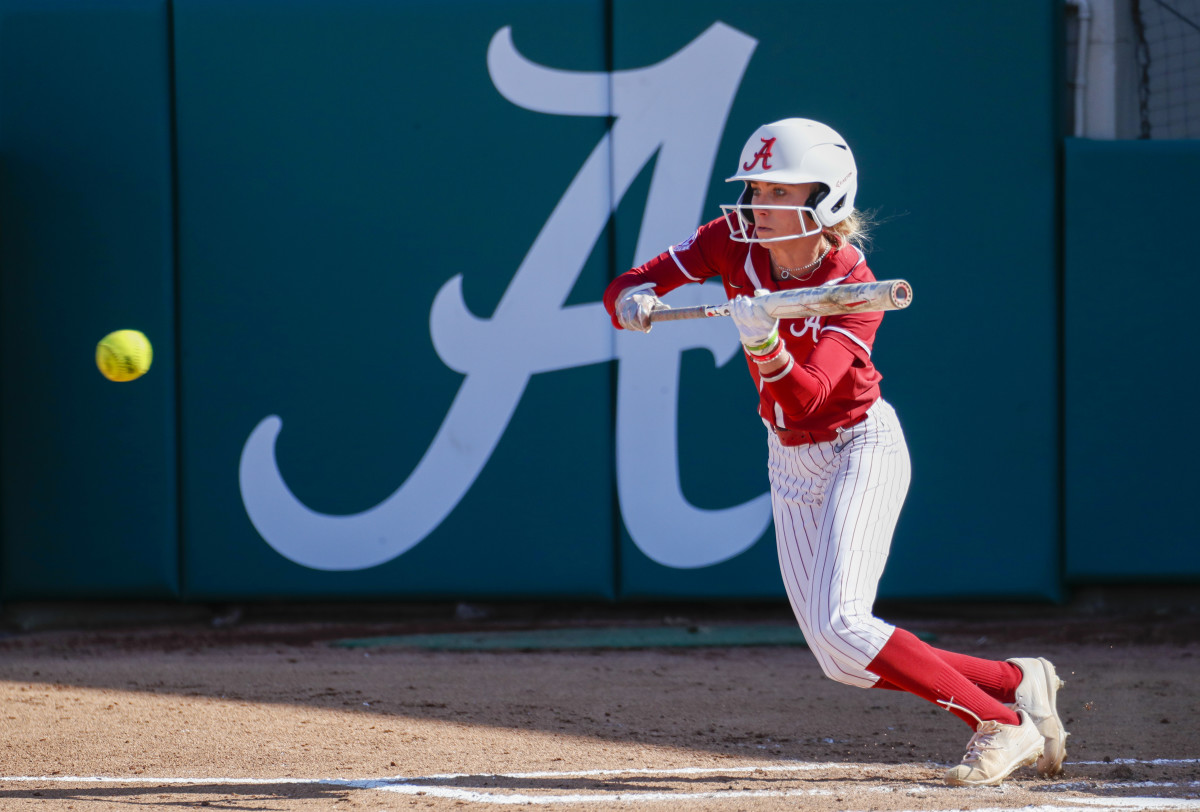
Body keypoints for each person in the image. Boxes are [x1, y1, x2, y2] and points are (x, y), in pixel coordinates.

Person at [603, 117, 1068, 787]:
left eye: (777, 193)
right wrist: (636, 302)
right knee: (840, 658)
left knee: (847, 622)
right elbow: (626, 284)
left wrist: (764, 341)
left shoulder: (856, 284)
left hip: (859, 444)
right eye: (755, 190)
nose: (757, 207)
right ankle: (1017, 681)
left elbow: (810, 397)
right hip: (790, 458)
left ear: (826, 200)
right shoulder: (729, 244)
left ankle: (1002, 724)